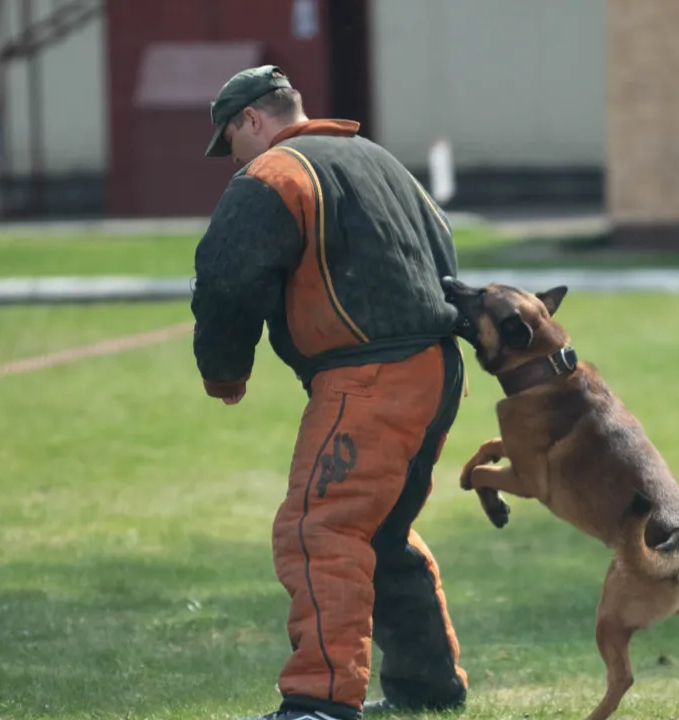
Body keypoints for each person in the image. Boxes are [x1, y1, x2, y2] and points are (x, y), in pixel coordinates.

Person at [190, 65, 471, 720]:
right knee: (379, 530)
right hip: (437, 367)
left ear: (249, 121)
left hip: (367, 379)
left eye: (229, 140)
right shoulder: (378, 161)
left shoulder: (273, 175)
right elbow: (444, 253)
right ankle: (427, 688)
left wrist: (224, 373)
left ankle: (319, 701)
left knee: (321, 529)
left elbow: (227, 281)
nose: (232, 156)